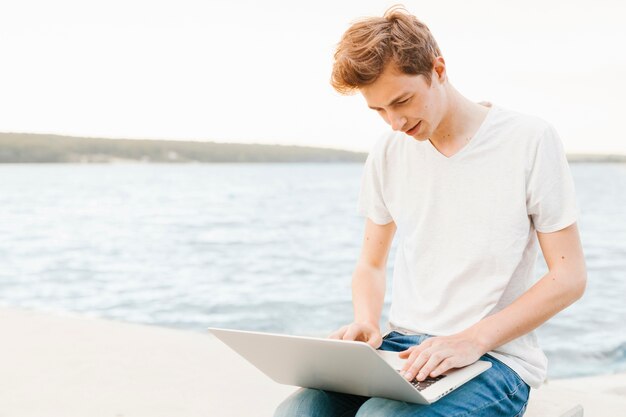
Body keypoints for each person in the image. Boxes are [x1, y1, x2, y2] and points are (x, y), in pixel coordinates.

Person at [274, 5, 587, 417]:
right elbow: (370, 263)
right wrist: (367, 321)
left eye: (402, 101)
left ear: (438, 69)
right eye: (379, 110)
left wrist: (471, 340)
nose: (394, 122)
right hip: (405, 350)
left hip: (495, 360)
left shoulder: (529, 140)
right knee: (300, 411)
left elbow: (569, 277)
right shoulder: (388, 152)